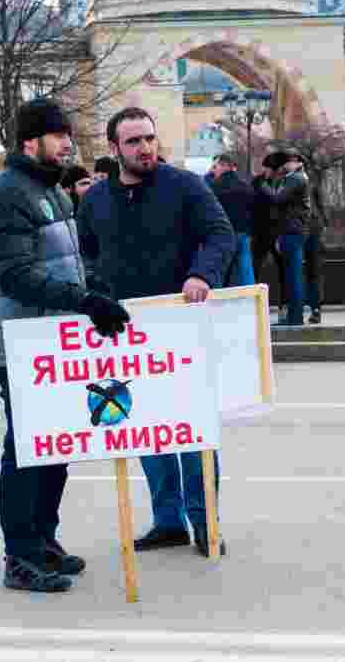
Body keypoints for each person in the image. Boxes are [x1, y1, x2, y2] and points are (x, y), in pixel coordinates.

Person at [0, 97, 131, 593]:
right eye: (58, 135)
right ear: (30, 141)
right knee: (27, 450)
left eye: (68, 134)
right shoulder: (6, 194)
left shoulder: (50, 190)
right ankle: (20, 556)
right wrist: (82, 300)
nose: (68, 143)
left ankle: (43, 540)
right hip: (23, 342)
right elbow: (15, 275)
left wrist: (94, 289)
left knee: (55, 446)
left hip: (54, 341)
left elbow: (67, 263)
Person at [77, 106, 234, 558]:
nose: (145, 147)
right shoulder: (96, 200)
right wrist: (96, 294)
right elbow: (84, 255)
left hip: (183, 327)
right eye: (134, 141)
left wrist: (202, 274)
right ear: (114, 148)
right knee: (147, 430)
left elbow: (220, 234)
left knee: (193, 430)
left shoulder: (184, 185)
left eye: (149, 138)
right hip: (126, 335)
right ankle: (168, 522)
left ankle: (205, 523)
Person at [256, 148, 312, 326]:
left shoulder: (296, 179)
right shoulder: (294, 178)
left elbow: (278, 198)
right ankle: (293, 316)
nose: (284, 165)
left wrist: (263, 186)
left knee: (293, 275)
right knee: (292, 274)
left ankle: (295, 317)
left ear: (296, 162)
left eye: (287, 162)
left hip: (292, 231)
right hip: (292, 230)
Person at [209, 153, 255, 287]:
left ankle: (220, 296)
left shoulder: (214, 187)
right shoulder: (245, 186)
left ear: (224, 166)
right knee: (245, 266)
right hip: (244, 232)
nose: (213, 170)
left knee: (221, 268)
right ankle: (249, 294)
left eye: (215, 167)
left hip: (224, 233)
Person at [251, 153, 287, 314]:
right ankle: (260, 305)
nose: (267, 171)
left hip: (272, 231)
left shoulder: (265, 182)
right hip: (263, 231)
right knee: (257, 267)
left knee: (280, 269)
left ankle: (283, 305)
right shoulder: (260, 182)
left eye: (269, 168)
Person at [305, 180, 329, 324]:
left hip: (309, 228)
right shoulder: (312, 183)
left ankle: (315, 308)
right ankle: (315, 309)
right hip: (312, 228)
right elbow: (321, 207)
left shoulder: (309, 183)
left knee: (313, 271)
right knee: (314, 271)